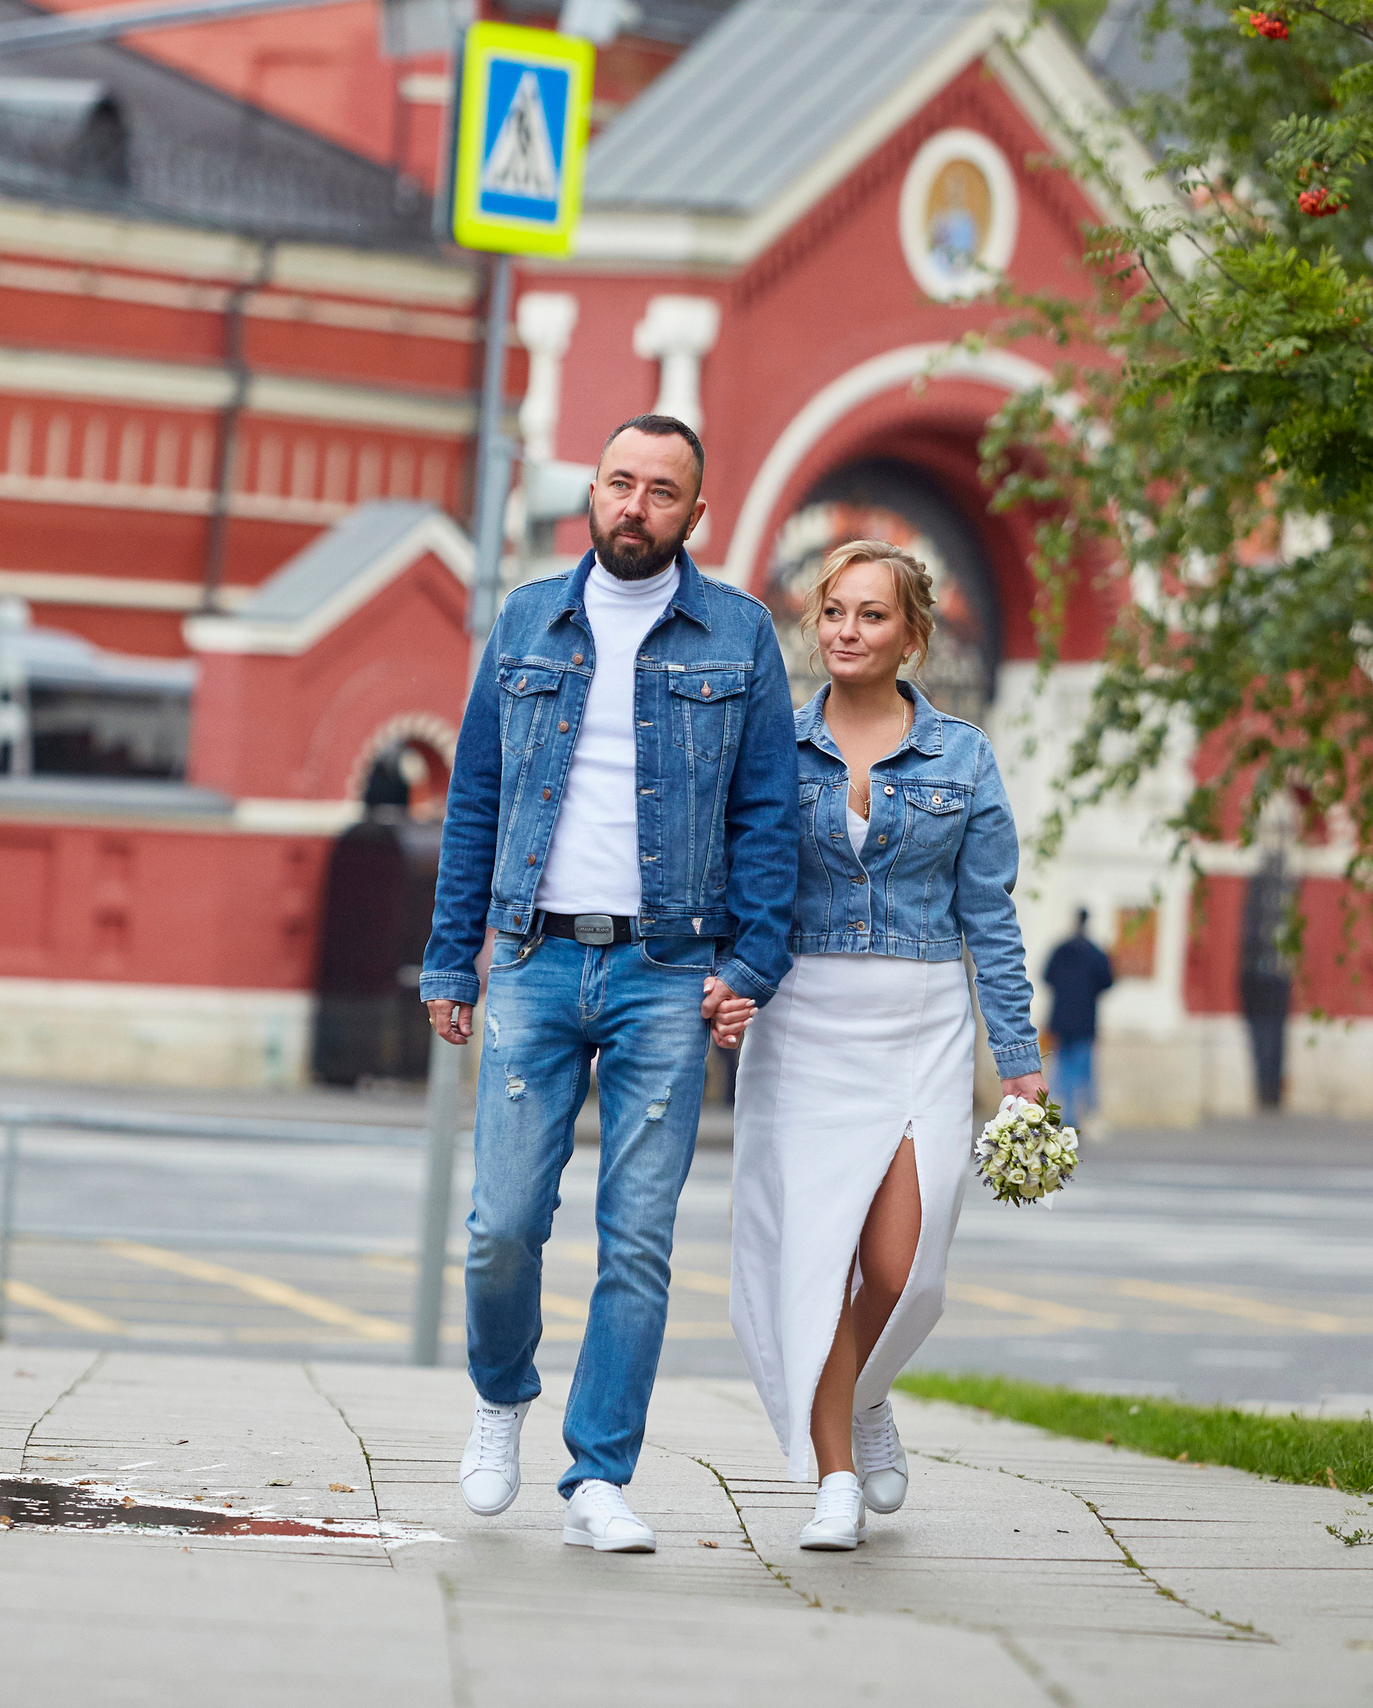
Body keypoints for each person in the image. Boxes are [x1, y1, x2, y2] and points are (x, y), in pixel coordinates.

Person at [420, 413, 797, 1555]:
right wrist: (452, 955)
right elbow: (475, 795)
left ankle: (598, 1474)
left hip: (668, 969)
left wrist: (751, 961)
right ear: (590, 491)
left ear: (697, 514)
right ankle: (500, 1398)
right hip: (533, 957)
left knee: (636, 1235)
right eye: (620, 482)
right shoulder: (528, 616)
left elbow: (769, 815)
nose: (636, 505)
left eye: (662, 491)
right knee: (502, 1226)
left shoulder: (739, 634)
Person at [719, 539, 1044, 1553]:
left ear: (911, 633)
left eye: (869, 615)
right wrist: (725, 977)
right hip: (804, 1019)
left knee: (904, 1269)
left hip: (921, 1028)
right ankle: (834, 1482)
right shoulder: (771, 745)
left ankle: (862, 1394)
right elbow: (737, 881)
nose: (845, 632)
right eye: (831, 612)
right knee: (815, 1261)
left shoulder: (963, 757)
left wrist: (1021, 1061)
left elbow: (988, 916)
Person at [1042, 908, 1116, 1123]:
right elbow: (1108, 981)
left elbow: (1047, 976)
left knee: (1061, 1070)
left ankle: (1056, 1116)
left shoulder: (1060, 950)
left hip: (1061, 1021)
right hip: (1084, 1022)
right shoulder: (1095, 952)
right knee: (1080, 1072)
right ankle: (1072, 1119)